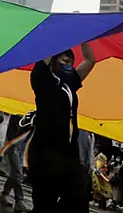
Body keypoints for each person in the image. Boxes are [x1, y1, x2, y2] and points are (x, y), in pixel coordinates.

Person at [28, 42, 96, 212]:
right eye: (63, 56)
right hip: (45, 153)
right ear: (52, 60)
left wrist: (84, 38)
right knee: (44, 204)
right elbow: (47, 52)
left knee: (78, 201)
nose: (67, 60)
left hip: (69, 155)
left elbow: (90, 60)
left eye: (70, 58)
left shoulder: (70, 82)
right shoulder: (41, 78)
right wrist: (61, 34)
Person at [0, 113, 32, 211]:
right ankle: (19, 200)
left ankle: (4, 194)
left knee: (15, 173)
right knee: (18, 173)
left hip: (22, 148)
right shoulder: (19, 114)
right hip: (14, 147)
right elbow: (13, 132)